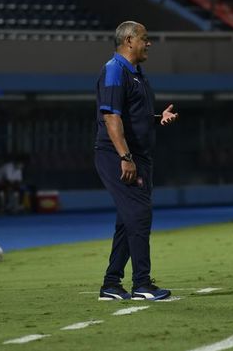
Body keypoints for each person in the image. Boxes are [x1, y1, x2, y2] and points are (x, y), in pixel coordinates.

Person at [95, 21, 178, 301]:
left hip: (137, 156)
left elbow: (131, 115)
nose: (149, 43)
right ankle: (142, 283)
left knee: (128, 220)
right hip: (117, 155)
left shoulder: (136, 74)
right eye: (145, 38)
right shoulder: (114, 70)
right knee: (139, 215)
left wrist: (156, 118)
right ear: (129, 40)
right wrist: (125, 156)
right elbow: (111, 117)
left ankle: (111, 284)